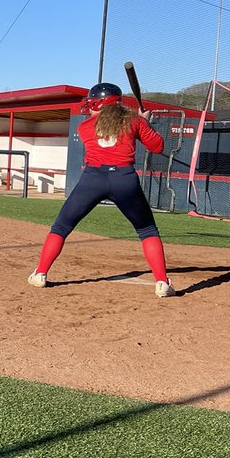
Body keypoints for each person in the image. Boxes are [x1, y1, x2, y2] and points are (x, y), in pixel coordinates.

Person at [28, 82, 174, 297]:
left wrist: (138, 121)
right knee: (147, 230)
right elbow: (157, 147)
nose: (91, 106)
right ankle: (162, 283)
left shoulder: (84, 126)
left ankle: (40, 273)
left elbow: (108, 126)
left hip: (93, 179)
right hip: (124, 179)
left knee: (61, 227)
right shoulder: (134, 121)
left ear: (100, 103)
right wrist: (144, 122)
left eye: (93, 103)